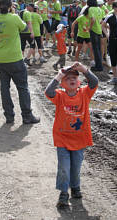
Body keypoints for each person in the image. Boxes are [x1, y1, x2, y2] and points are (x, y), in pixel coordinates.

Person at [44, 62, 99, 208]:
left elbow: (94, 82)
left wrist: (83, 69)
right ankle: (63, 193)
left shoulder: (84, 93)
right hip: (62, 138)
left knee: (76, 167)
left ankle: (75, 187)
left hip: (79, 139)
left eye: (74, 77)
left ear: (79, 82)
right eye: (67, 78)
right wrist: (58, 75)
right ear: (62, 83)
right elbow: (49, 91)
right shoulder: (60, 95)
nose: (71, 80)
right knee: (64, 167)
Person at [0, 0, 40, 124]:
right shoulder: (15, 18)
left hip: (1, 60)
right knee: (22, 88)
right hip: (15, 58)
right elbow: (25, 30)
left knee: (4, 88)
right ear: (11, 7)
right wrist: (14, 14)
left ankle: (9, 116)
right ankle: (27, 116)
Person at [87, 0, 104, 71]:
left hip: (94, 30)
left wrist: (89, 28)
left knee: (95, 49)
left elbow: (93, 19)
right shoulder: (99, 9)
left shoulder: (91, 9)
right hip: (99, 30)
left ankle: (98, 67)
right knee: (99, 49)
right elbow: (101, 21)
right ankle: (100, 65)